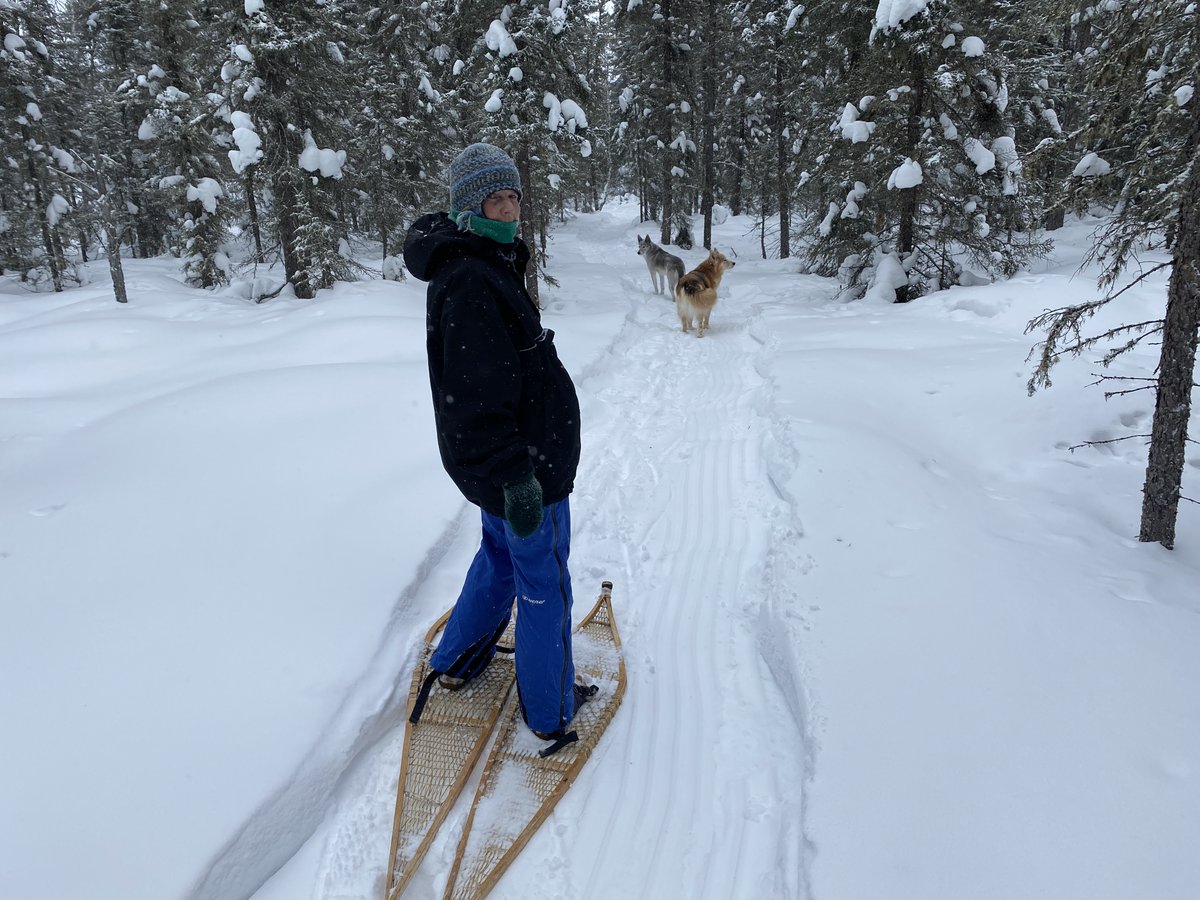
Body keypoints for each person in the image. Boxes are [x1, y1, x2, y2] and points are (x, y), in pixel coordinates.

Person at [402, 143, 595, 743]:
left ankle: (457, 660)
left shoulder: (480, 260)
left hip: (508, 468)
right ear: (467, 207)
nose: (509, 209)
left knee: (502, 558)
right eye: (495, 198)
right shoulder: (472, 281)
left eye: (513, 196)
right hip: (526, 473)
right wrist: (517, 477)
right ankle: (551, 711)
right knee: (544, 582)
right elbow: (477, 399)